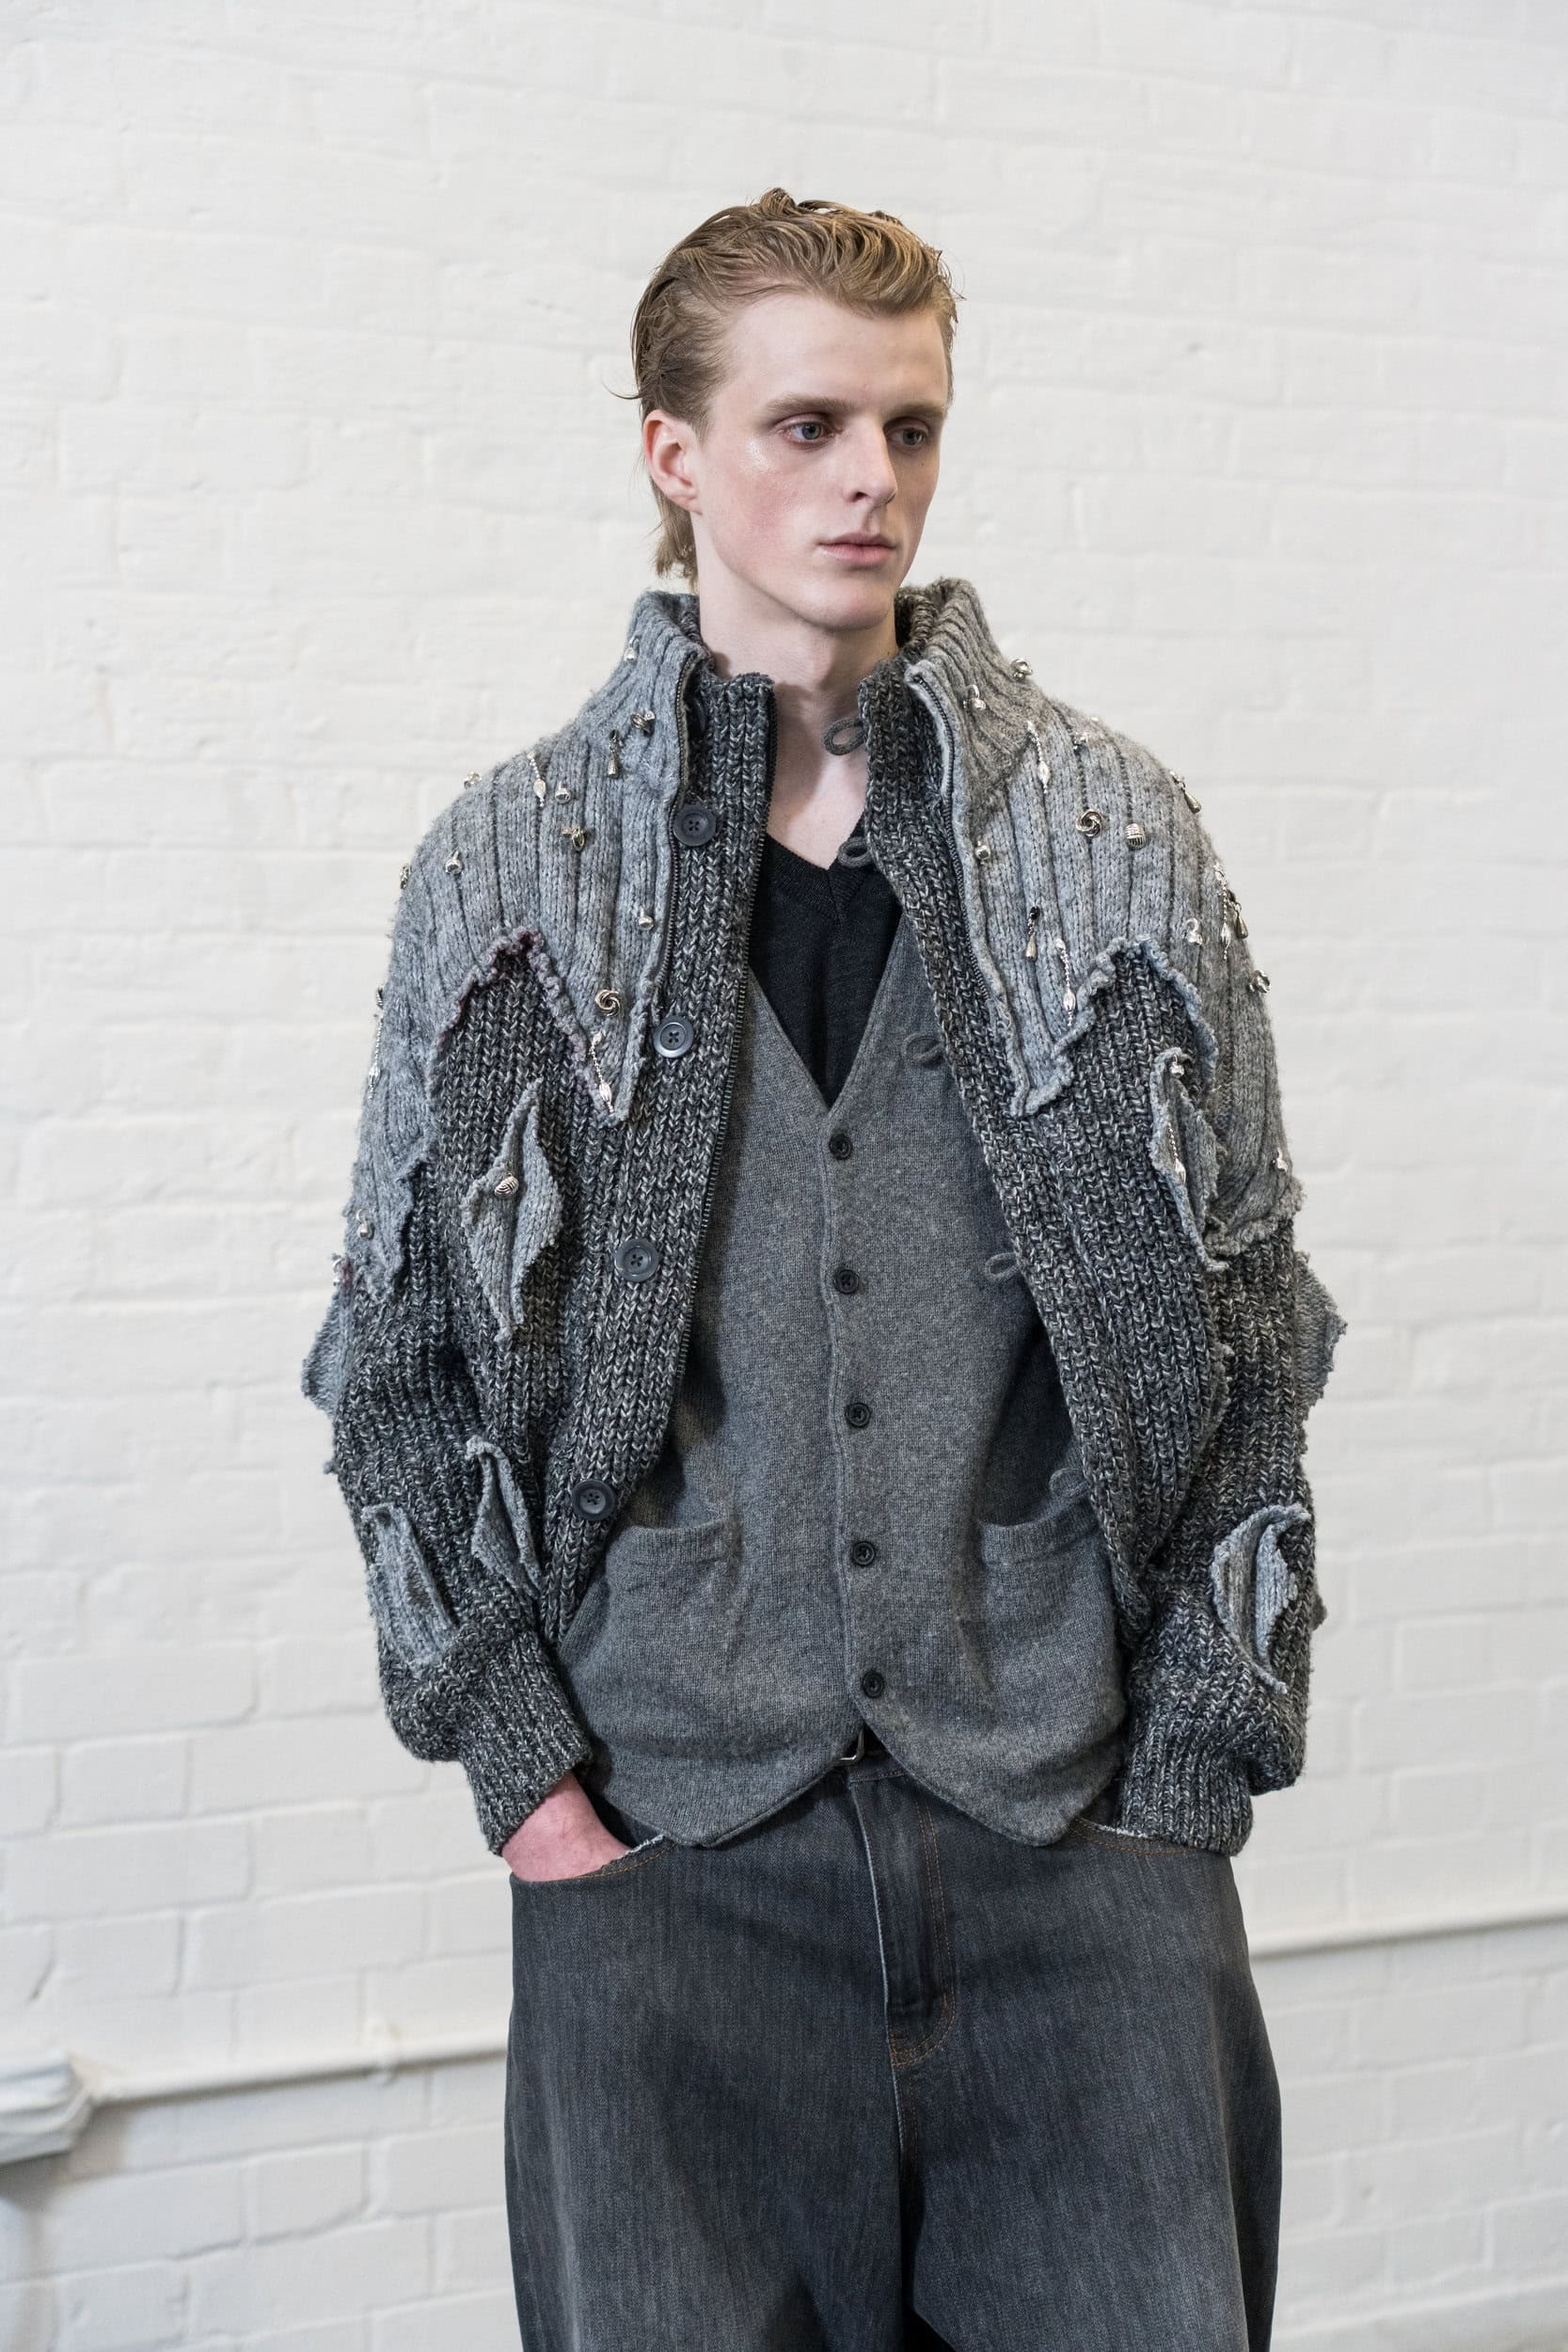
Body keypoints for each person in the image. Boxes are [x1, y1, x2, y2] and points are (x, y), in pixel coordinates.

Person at [302, 187, 1348, 2352]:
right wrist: (532, 1786)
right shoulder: (509, 868)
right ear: (674, 453)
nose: (872, 477)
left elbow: (1253, 1331)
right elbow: (396, 1360)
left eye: (911, 426)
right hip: (667, 1865)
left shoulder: (1113, 839)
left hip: (1079, 1843)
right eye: (806, 425)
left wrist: (1193, 1768)